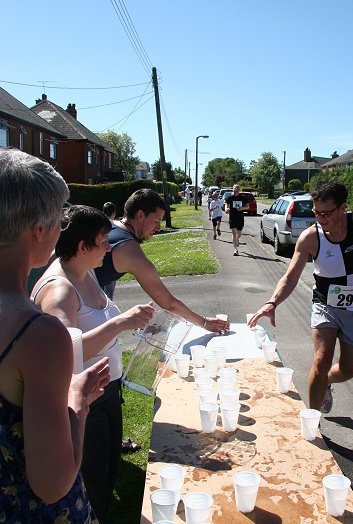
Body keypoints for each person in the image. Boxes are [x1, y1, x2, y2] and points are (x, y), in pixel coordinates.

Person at [0, 149, 110, 522]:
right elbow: (52, 483)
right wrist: (77, 402)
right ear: (38, 229)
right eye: (60, 220)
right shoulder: (38, 335)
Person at [32, 205, 154, 522]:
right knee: (94, 483)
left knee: (109, 469)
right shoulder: (59, 291)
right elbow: (61, 353)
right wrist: (120, 324)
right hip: (86, 401)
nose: (110, 247)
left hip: (106, 393)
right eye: (103, 242)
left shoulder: (85, 272)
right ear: (83, 246)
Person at [249, 179, 353, 413]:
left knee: (349, 368)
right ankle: (313, 423)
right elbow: (290, 277)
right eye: (316, 213)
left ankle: (328, 382)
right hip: (325, 304)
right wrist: (272, 302)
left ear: (343, 208)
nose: (320, 219)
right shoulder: (310, 237)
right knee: (321, 360)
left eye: (326, 213)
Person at [94, 189, 229, 334]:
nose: (158, 228)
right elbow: (168, 303)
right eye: (156, 221)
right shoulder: (129, 248)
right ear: (140, 215)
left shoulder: (110, 225)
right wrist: (205, 323)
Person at [224, 184, 249, 256]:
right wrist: (226, 209)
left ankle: (237, 239)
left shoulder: (242, 198)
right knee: (234, 233)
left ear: (239, 190)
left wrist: (242, 208)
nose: (235, 191)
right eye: (234, 189)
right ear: (233, 190)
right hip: (232, 217)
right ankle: (236, 250)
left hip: (240, 217)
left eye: (237, 189)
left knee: (239, 234)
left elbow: (247, 206)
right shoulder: (230, 198)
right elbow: (226, 204)